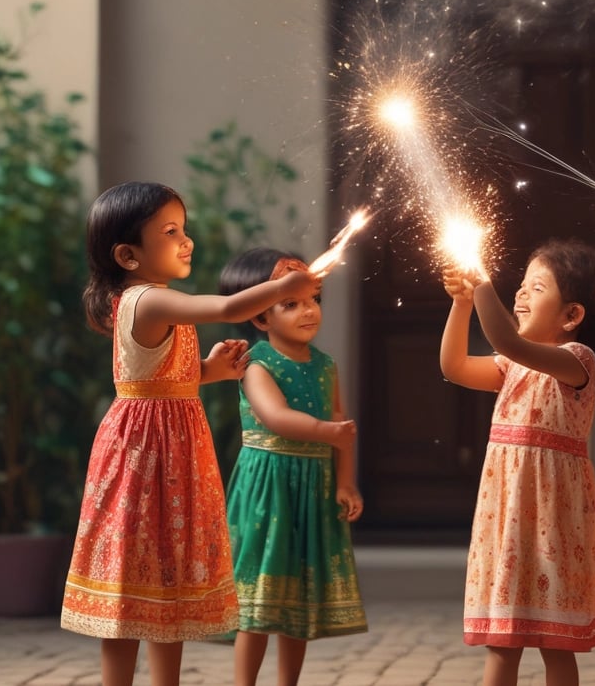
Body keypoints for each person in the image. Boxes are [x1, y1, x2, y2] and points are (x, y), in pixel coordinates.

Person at [62, 181, 321, 686]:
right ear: (128, 255)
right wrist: (282, 288)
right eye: (171, 231)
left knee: (168, 572)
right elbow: (228, 309)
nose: (187, 240)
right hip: (143, 454)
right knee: (131, 574)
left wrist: (207, 370)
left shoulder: (157, 300)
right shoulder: (145, 301)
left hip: (175, 449)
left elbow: (161, 375)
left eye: (185, 228)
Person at [440, 238, 595, 686]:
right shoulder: (512, 365)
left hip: (553, 522)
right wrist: (463, 303)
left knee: (554, 642)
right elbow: (454, 367)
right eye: (520, 285)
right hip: (507, 519)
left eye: (536, 288)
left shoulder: (577, 359)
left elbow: (504, 336)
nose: (520, 294)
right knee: (502, 642)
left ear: (571, 316)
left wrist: (481, 279)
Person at [218, 247, 368, 686]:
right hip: (270, 487)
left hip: (314, 485)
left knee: (297, 598)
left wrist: (346, 484)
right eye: (291, 303)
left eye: (313, 300)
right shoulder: (255, 364)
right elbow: (275, 417)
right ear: (260, 317)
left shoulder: (325, 366)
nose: (308, 311)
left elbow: (344, 427)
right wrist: (327, 432)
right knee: (260, 598)